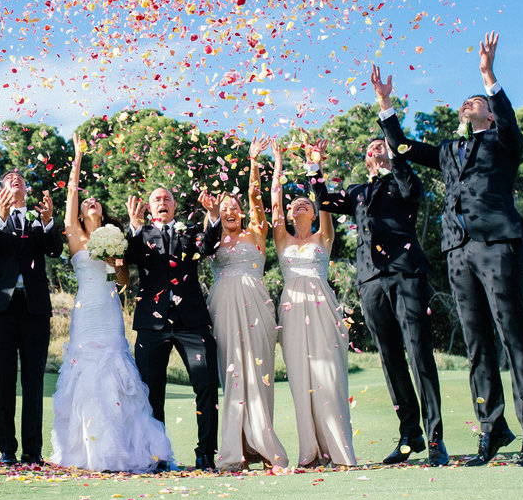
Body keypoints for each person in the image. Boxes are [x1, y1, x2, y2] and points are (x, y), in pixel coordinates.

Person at [375, 31, 523, 466]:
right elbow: (404, 148)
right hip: (457, 251)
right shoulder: (450, 150)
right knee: (477, 343)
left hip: (498, 243)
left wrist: (488, 76)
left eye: (478, 100)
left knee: (513, 335)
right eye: (466, 99)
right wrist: (385, 105)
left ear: (489, 112)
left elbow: (509, 124)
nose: (468, 102)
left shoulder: (505, 142)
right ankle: (491, 431)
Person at [308, 132, 447, 466]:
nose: (376, 150)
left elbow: (413, 192)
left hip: (406, 272)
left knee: (418, 353)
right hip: (370, 280)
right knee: (390, 358)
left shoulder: (404, 180)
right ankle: (409, 435)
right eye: (371, 149)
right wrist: (314, 163)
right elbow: (323, 200)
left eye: (381, 146)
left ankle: (436, 437)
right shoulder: (356, 192)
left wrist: (396, 157)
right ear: (366, 159)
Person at [50, 134, 174, 472]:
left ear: (103, 211)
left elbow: (121, 283)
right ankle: (84, 452)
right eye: (86, 201)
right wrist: (77, 156)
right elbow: (72, 192)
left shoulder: (115, 237)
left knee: (115, 375)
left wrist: (117, 263)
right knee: (86, 375)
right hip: (84, 310)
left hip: (108, 310)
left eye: (96, 202)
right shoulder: (74, 234)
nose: (91, 202)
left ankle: (122, 450)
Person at [270, 138, 357, 468]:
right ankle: (310, 452)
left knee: (329, 376)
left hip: (323, 308)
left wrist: (314, 166)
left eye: (305, 202)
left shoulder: (324, 236)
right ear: (290, 216)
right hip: (292, 310)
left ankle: (338, 450)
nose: (300, 205)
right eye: (296, 205)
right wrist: (277, 164)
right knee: (300, 377)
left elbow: (325, 202)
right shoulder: (283, 239)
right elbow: (274, 205)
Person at [125, 183, 222, 470]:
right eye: (157, 199)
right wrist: (133, 224)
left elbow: (208, 247)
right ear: (149, 207)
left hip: (192, 322)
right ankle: (158, 454)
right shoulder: (140, 235)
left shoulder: (190, 232)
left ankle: (205, 453)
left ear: (174, 206)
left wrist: (213, 216)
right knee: (151, 390)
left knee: (205, 384)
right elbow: (130, 258)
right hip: (151, 324)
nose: (162, 201)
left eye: (167, 197)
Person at [207, 138, 289, 471]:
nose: (229, 212)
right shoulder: (211, 236)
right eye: (224, 208)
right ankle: (236, 448)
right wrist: (212, 218)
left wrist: (253, 162)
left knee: (259, 372)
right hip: (225, 306)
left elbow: (257, 197)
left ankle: (261, 444)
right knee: (232, 373)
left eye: (234, 207)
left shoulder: (257, 233)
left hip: (257, 306)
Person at [0, 170, 61, 466]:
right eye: (10, 178)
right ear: (1, 189)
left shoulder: (40, 220)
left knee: (34, 381)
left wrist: (49, 221)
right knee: (4, 379)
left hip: (34, 308)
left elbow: (56, 248)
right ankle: (7, 450)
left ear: (26, 188)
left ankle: (33, 451)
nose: (16, 179)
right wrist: (0, 215)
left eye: (20, 178)